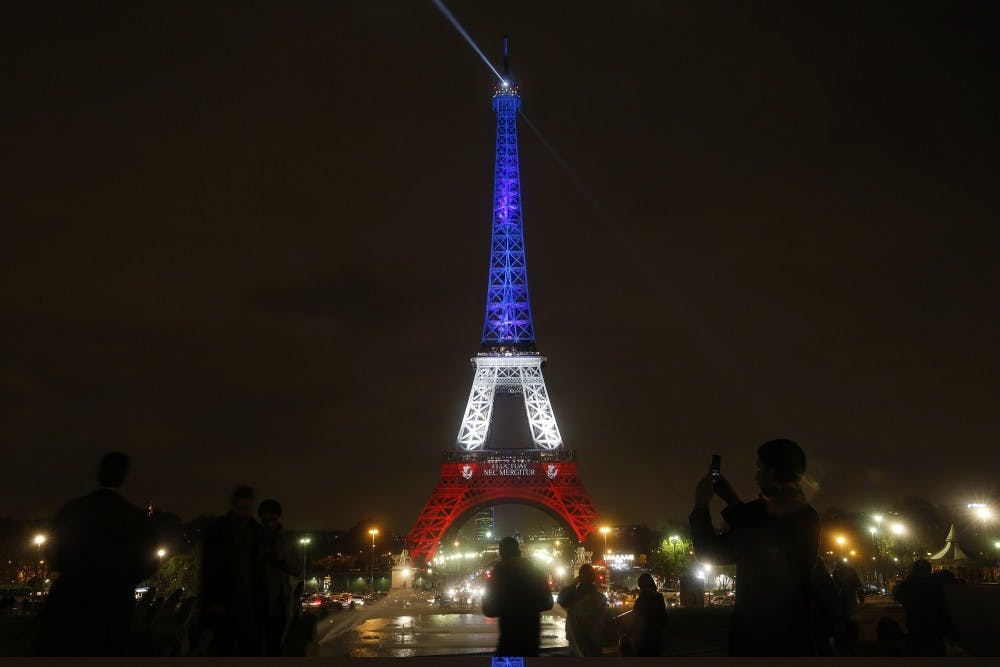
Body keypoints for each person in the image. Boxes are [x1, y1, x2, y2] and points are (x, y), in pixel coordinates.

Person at [689, 439, 821, 656]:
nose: (756, 476)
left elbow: (709, 552)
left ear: (772, 472)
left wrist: (701, 506)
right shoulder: (808, 515)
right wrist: (731, 499)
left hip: (758, 640)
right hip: (796, 636)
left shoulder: (764, 517)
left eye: (760, 468)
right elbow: (757, 532)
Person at [36, 452, 158, 655]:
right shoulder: (136, 518)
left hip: (71, 597)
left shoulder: (73, 509)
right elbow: (148, 564)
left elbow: (54, 555)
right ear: (124, 476)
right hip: (114, 602)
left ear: (99, 472)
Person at [199, 485, 263, 656]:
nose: (244, 512)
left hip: (242, 604)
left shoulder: (221, 530)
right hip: (231, 603)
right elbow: (209, 569)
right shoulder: (254, 531)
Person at [482, 536, 554, 657]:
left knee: (502, 665)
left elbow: (488, 609)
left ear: (501, 553)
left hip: (508, 642)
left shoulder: (497, 575)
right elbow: (548, 603)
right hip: (531, 643)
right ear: (519, 552)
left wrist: (508, 607)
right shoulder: (536, 573)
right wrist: (528, 607)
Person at [257, 498, 300, 656]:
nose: (269, 524)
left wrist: (282, 559)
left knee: (274, 648)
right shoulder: (254, 539)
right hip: (258, 603)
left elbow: (297, 569)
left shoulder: (286, 540)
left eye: (273, 520)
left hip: (278, 603)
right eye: (266, 520)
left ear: (278, 518)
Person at [892, 559, 953, 656]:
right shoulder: (936, 583)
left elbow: (898, 596)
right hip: (934, 627)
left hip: (916, 626)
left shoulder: (908, 585)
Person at [557, 564, 607, 656]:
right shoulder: (601, 598)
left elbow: (560, 599)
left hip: (576, 642)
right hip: (593, 643)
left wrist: (573, 584)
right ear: (594, 578)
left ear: (579, 577)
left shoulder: (573, 597)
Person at [622, 572, 667, 656]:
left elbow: (635, 618)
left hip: (643, 638)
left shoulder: (641, 599)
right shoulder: (659, 597)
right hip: (656, 637)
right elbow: (663, 618)